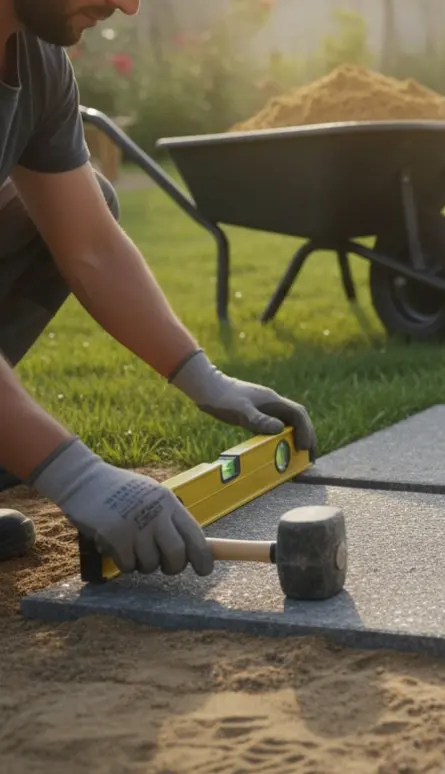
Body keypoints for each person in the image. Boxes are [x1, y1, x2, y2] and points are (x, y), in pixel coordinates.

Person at [0, 0, 316, 575]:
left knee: (60, 209)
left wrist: (202, 376)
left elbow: (90, 246)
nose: (128, 4)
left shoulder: (37, 61)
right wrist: (76, 475)